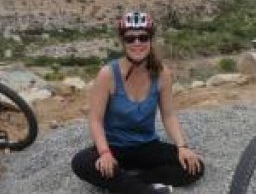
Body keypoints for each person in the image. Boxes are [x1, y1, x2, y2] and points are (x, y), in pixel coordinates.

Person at [71, 10, 204, 194]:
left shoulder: (161, 74)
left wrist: (182, 147)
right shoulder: (108, 75)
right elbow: (95, 120)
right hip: (114, 147)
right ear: (122, 42)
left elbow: (169, 114)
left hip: (146, 146)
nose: (137, 43)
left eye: (143, 37)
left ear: (150, 40)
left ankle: (128, 185)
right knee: (81, 162)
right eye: (130, 39)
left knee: (194, 167)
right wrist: (104, 153)